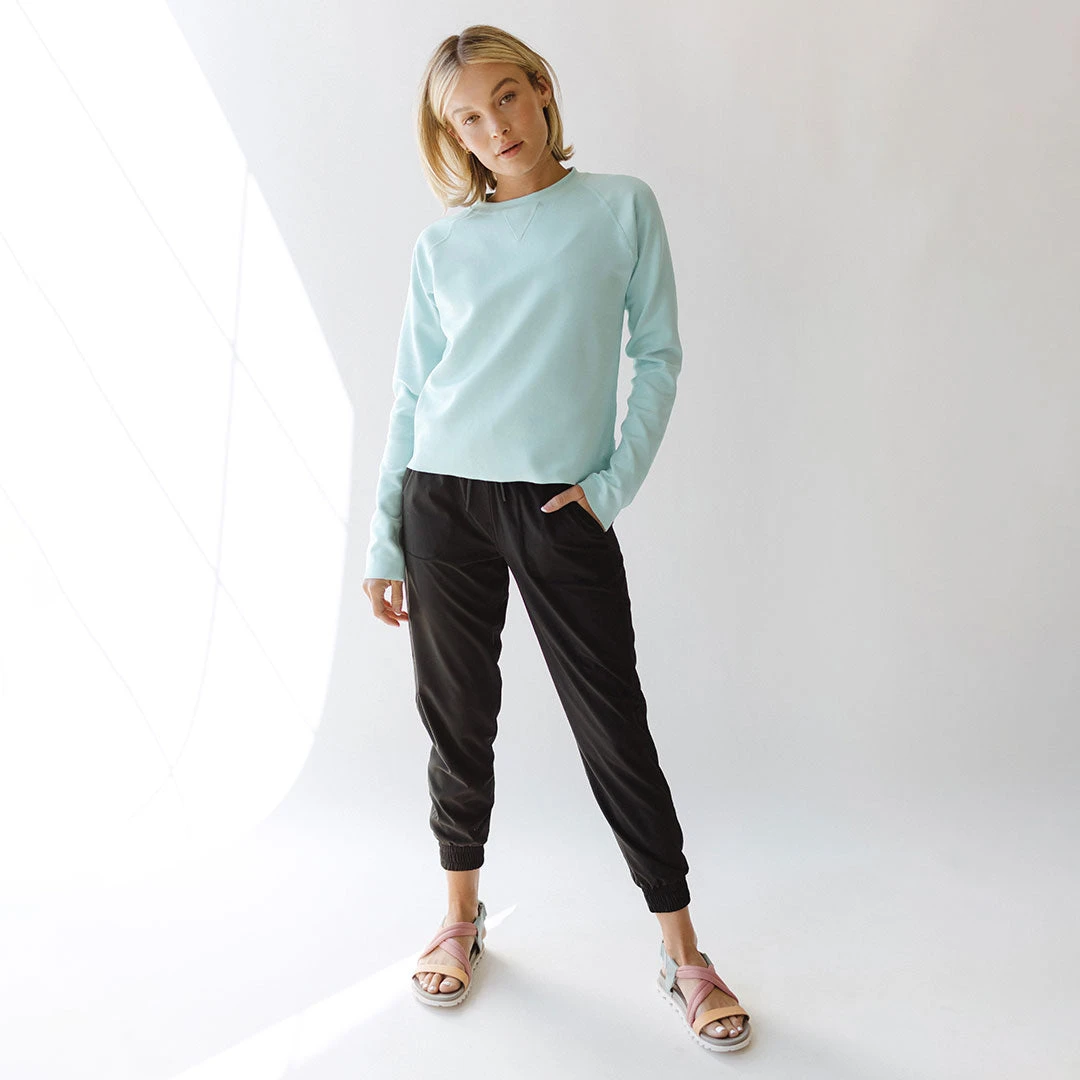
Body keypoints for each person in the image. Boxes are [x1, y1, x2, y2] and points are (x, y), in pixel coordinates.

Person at [361, 24, 752, 1052]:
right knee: (456, 720)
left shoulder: (620, 207)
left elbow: (659, 355)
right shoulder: (442, 246)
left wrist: (610, 487)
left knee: (613, 723)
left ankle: (684, 953)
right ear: (451, 135)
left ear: (540, 89)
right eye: (467, 118)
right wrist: (384, 540)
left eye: (505, 98)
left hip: (555, 506)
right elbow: (409, 396)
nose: (494, 127)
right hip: (442, 499)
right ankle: (459, 917)